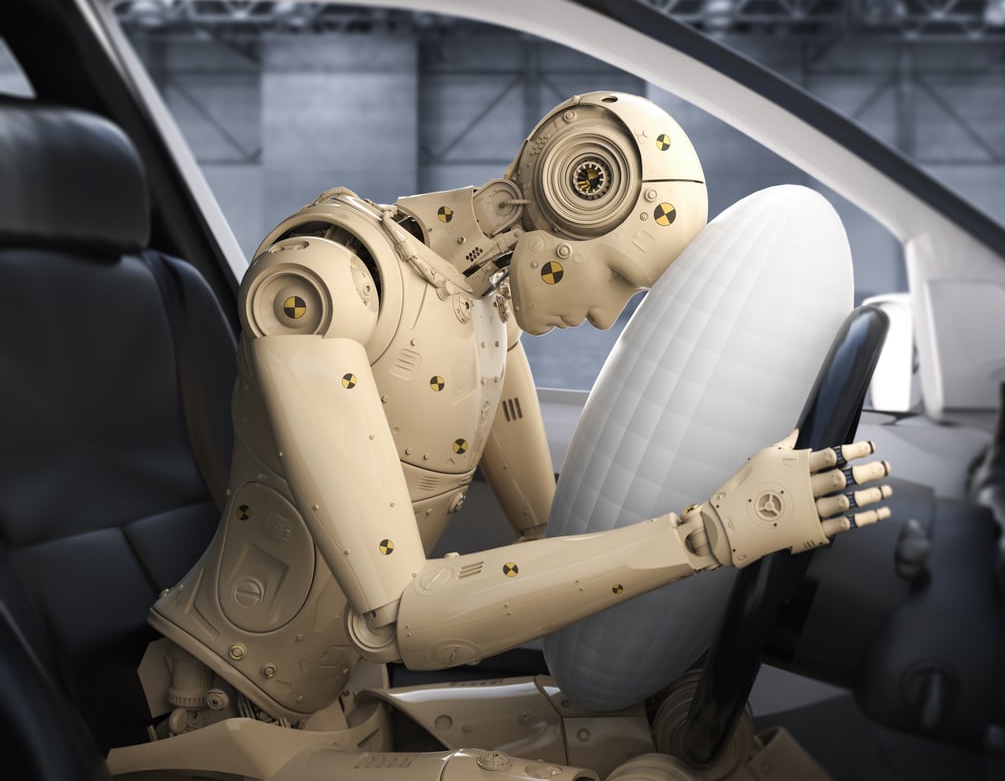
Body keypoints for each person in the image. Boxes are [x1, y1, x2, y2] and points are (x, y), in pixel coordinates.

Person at [146, 91, 892, 735]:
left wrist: (656, 665)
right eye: (618, 279)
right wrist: (710, 534)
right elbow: (407, 613)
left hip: (343, 700)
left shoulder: (488, 313)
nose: (606, 319)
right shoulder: (331, 283)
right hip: (220, 707)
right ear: (571, 193)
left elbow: (548, 533)